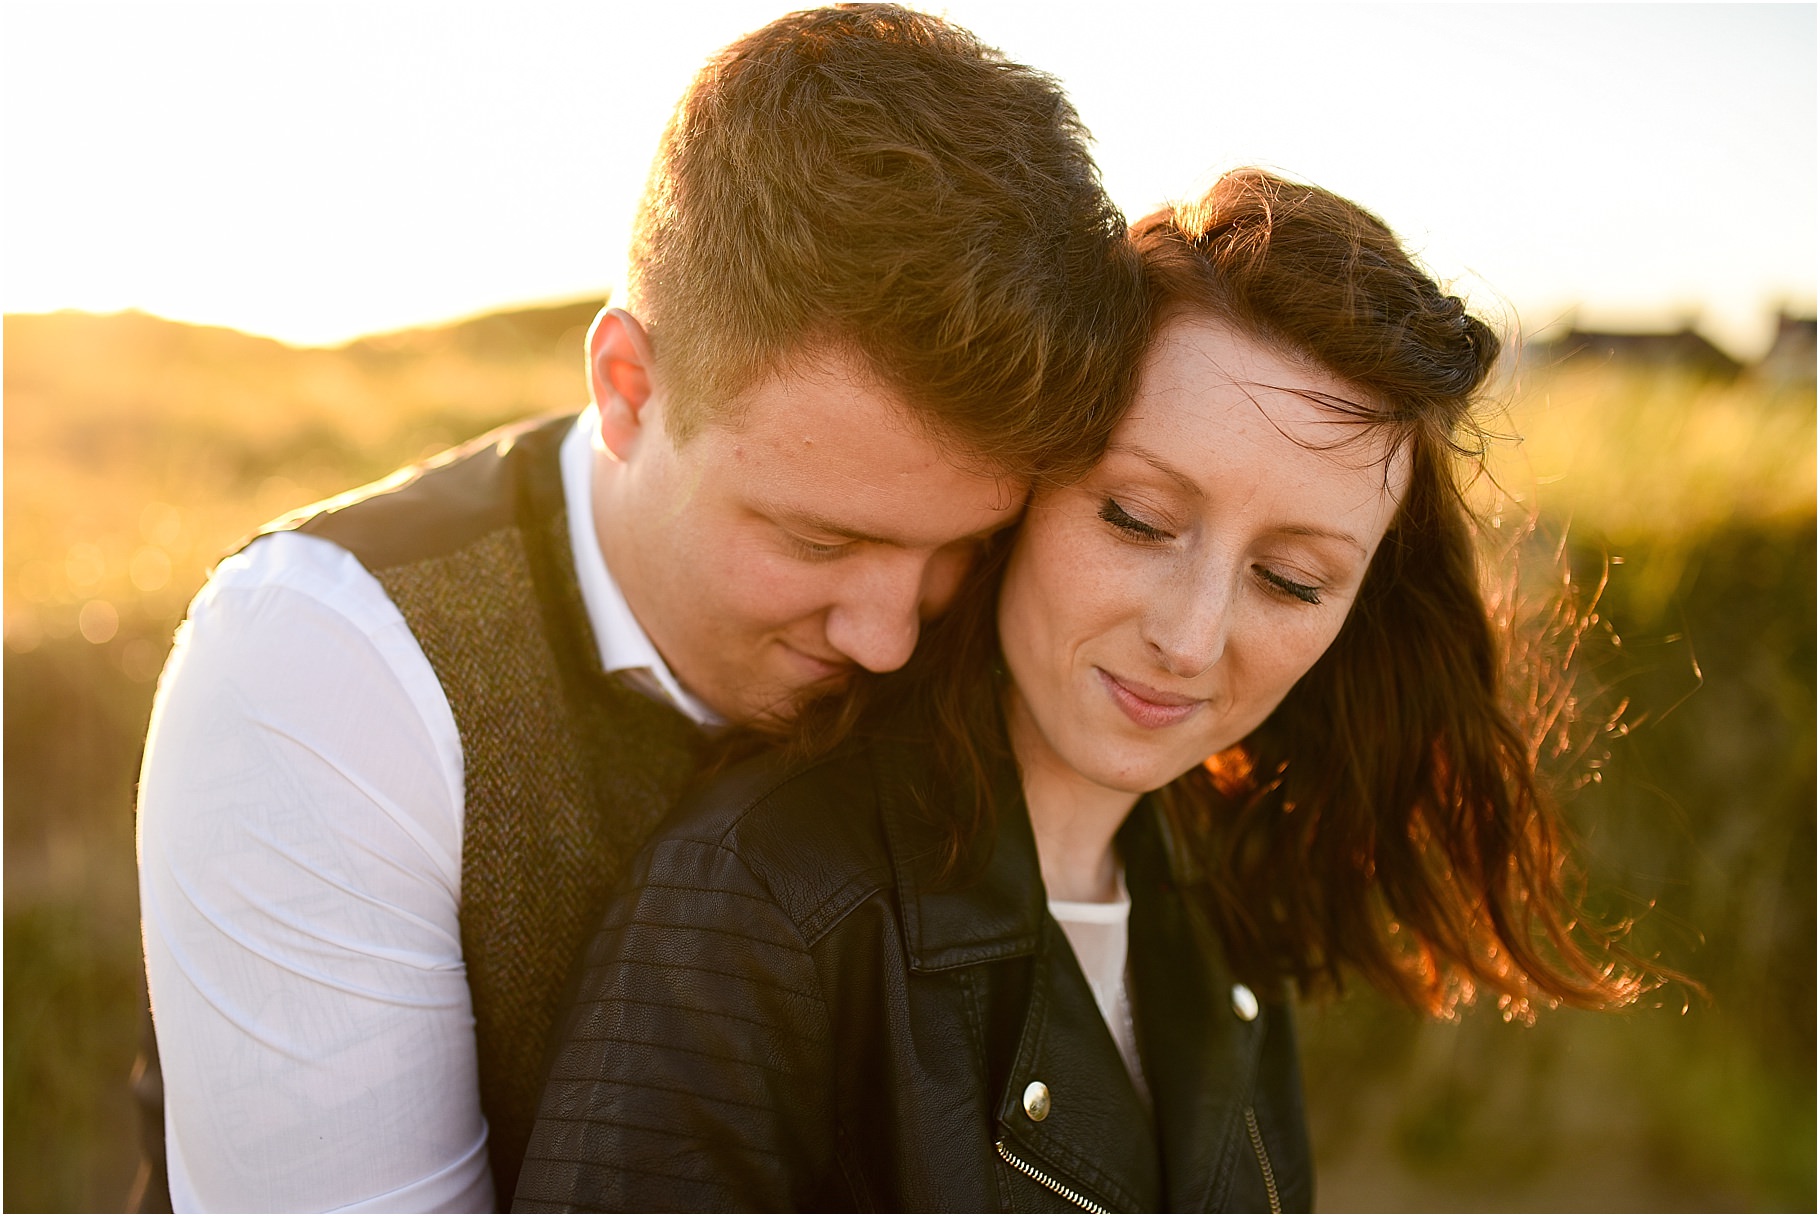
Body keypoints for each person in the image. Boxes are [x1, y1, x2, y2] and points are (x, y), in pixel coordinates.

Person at [133, 6, 1148, 1211]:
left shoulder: (1014, 618)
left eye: (961, 548)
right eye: (817, 538)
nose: (890, 637)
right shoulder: (324, 666)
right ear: (626, 387)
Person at [512, 170, 1654, 1213]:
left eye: (1291, 579)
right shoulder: (761, 899)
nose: (1189, 633)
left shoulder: (1214, 901)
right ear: (1019, 487)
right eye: (1137, 518)